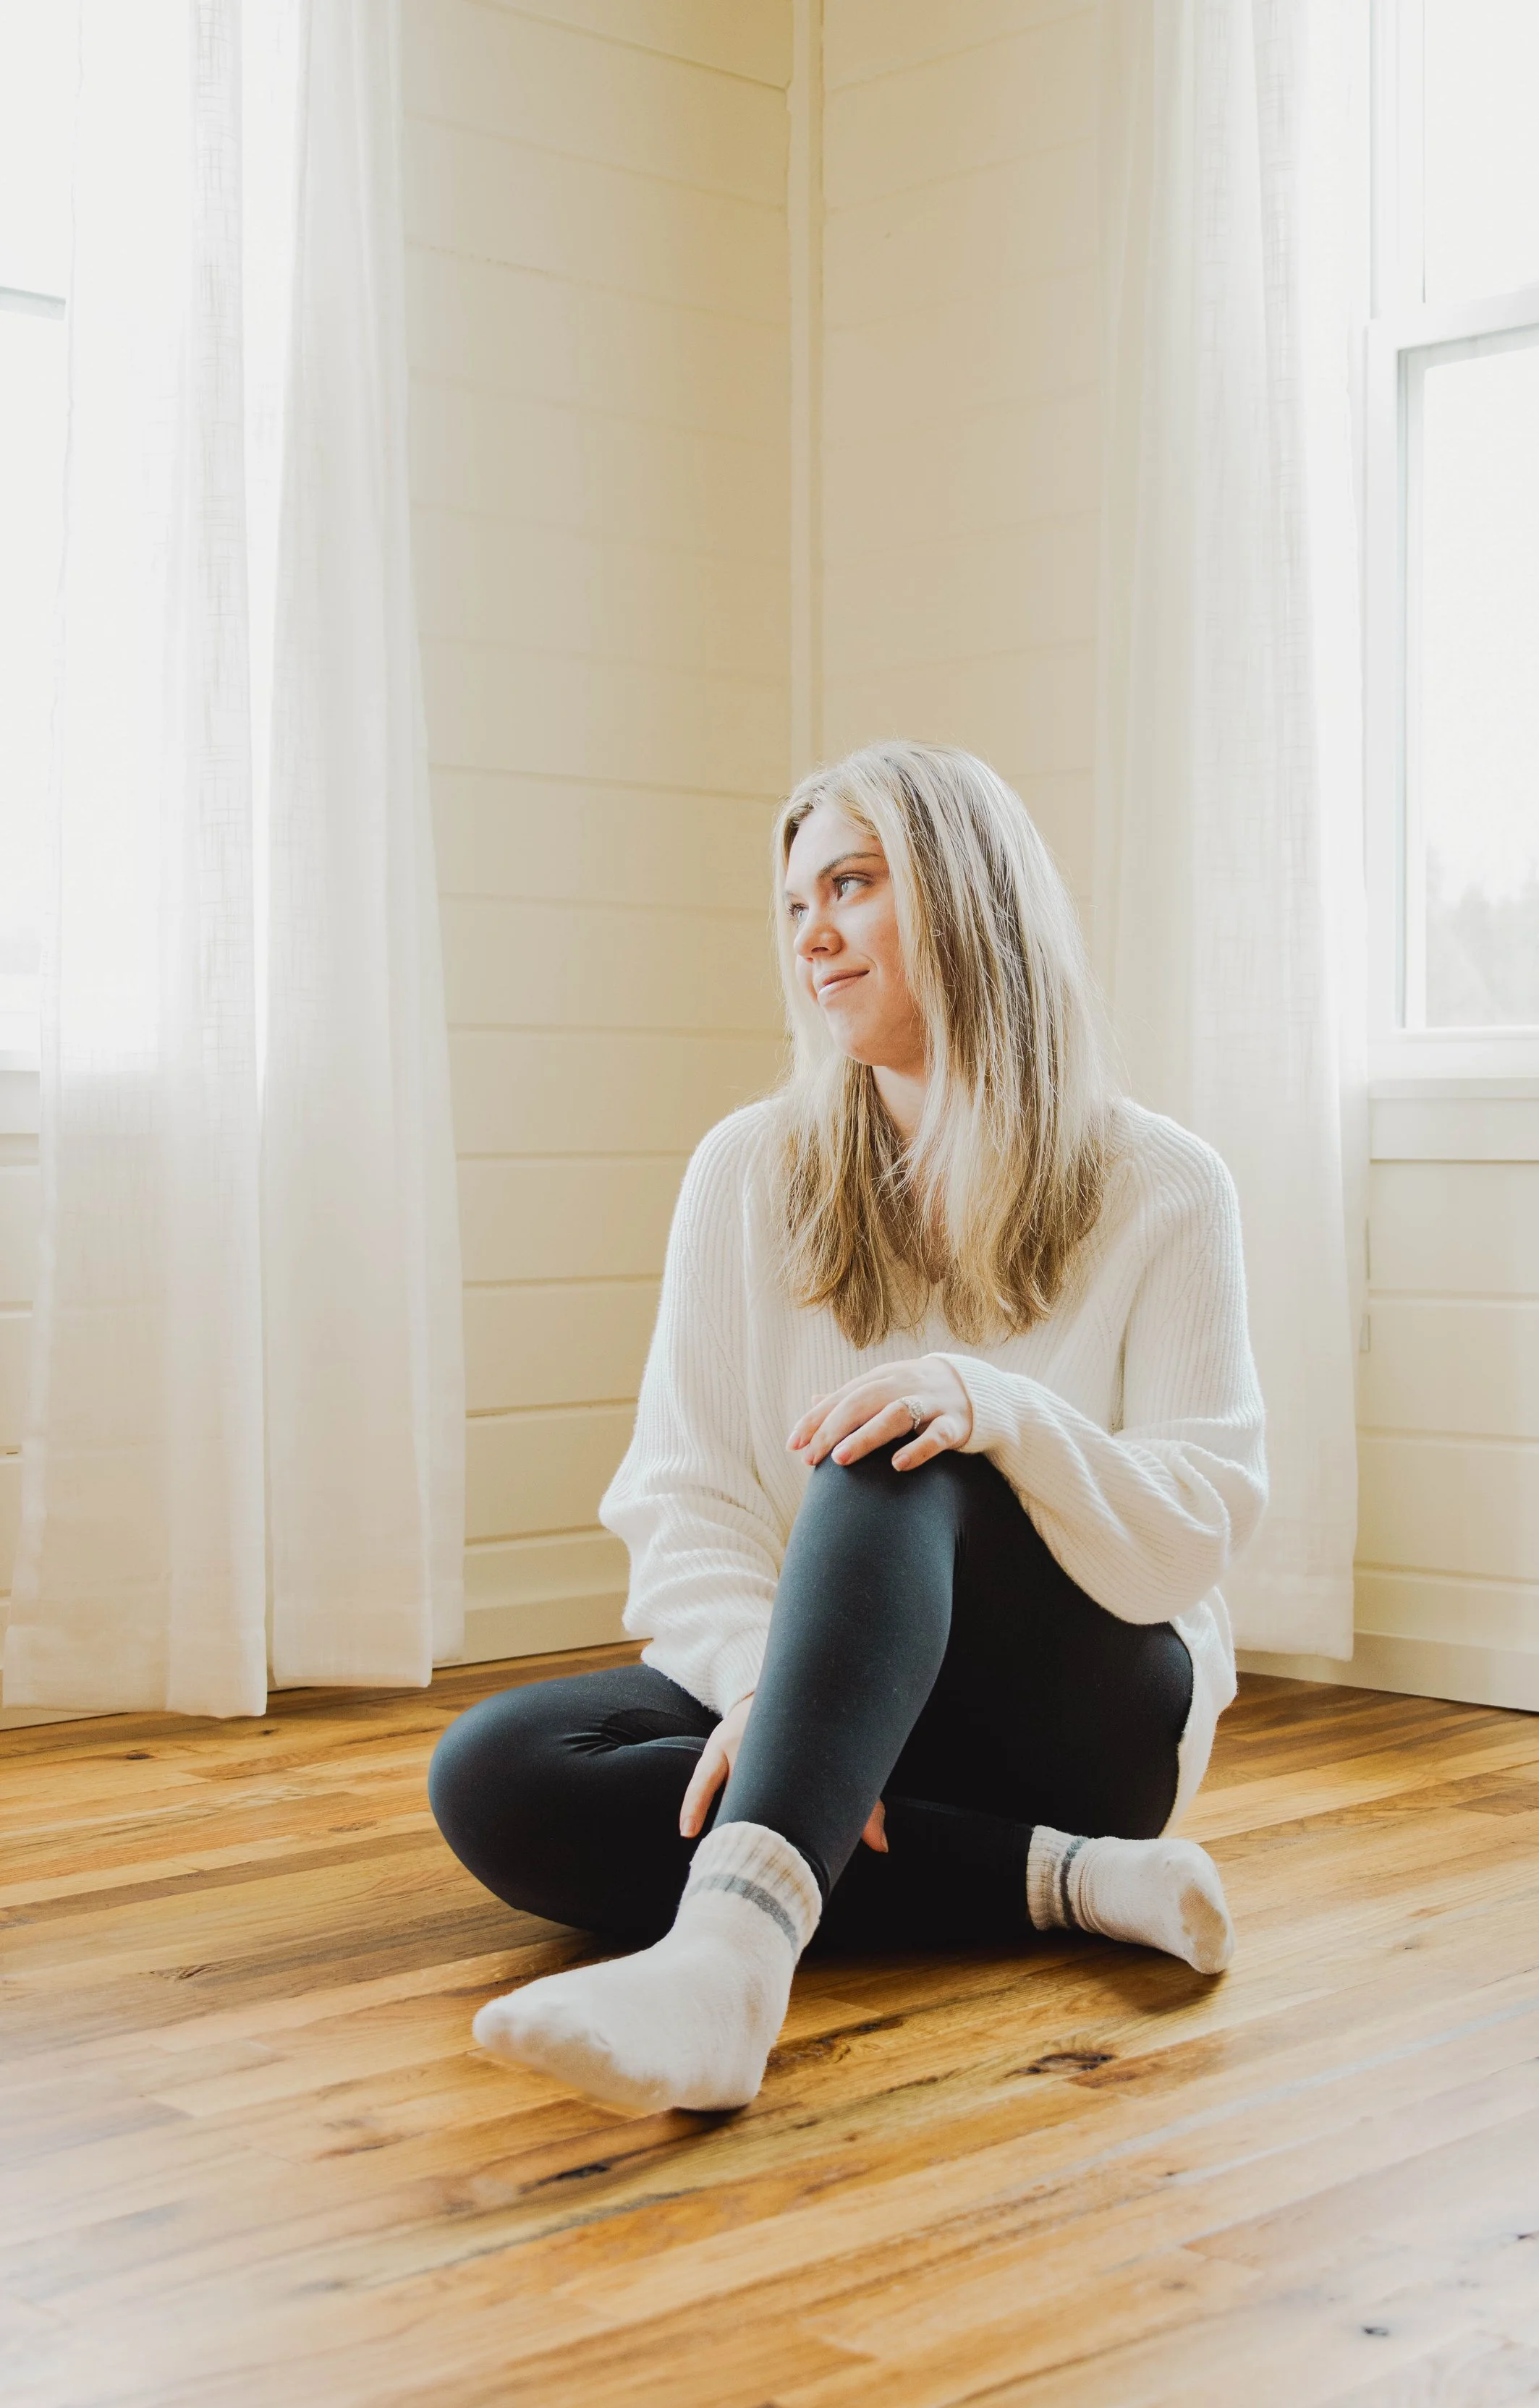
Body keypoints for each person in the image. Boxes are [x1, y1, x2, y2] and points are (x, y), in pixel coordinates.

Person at [429, 742, 1266, 2116]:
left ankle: (728, 1962)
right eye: (796, 899)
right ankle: (1065, 1879)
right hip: (845, 1700)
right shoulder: (748, 1169)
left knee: (893, 1440)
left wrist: (998, 1411)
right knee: (500, 1774)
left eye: (854, 884)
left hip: (1086, 1708)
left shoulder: (1166, 1184)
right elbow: (684, 1498)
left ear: (967, 897)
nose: (811, 932)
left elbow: (1195, 1531)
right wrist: (770, 1694)